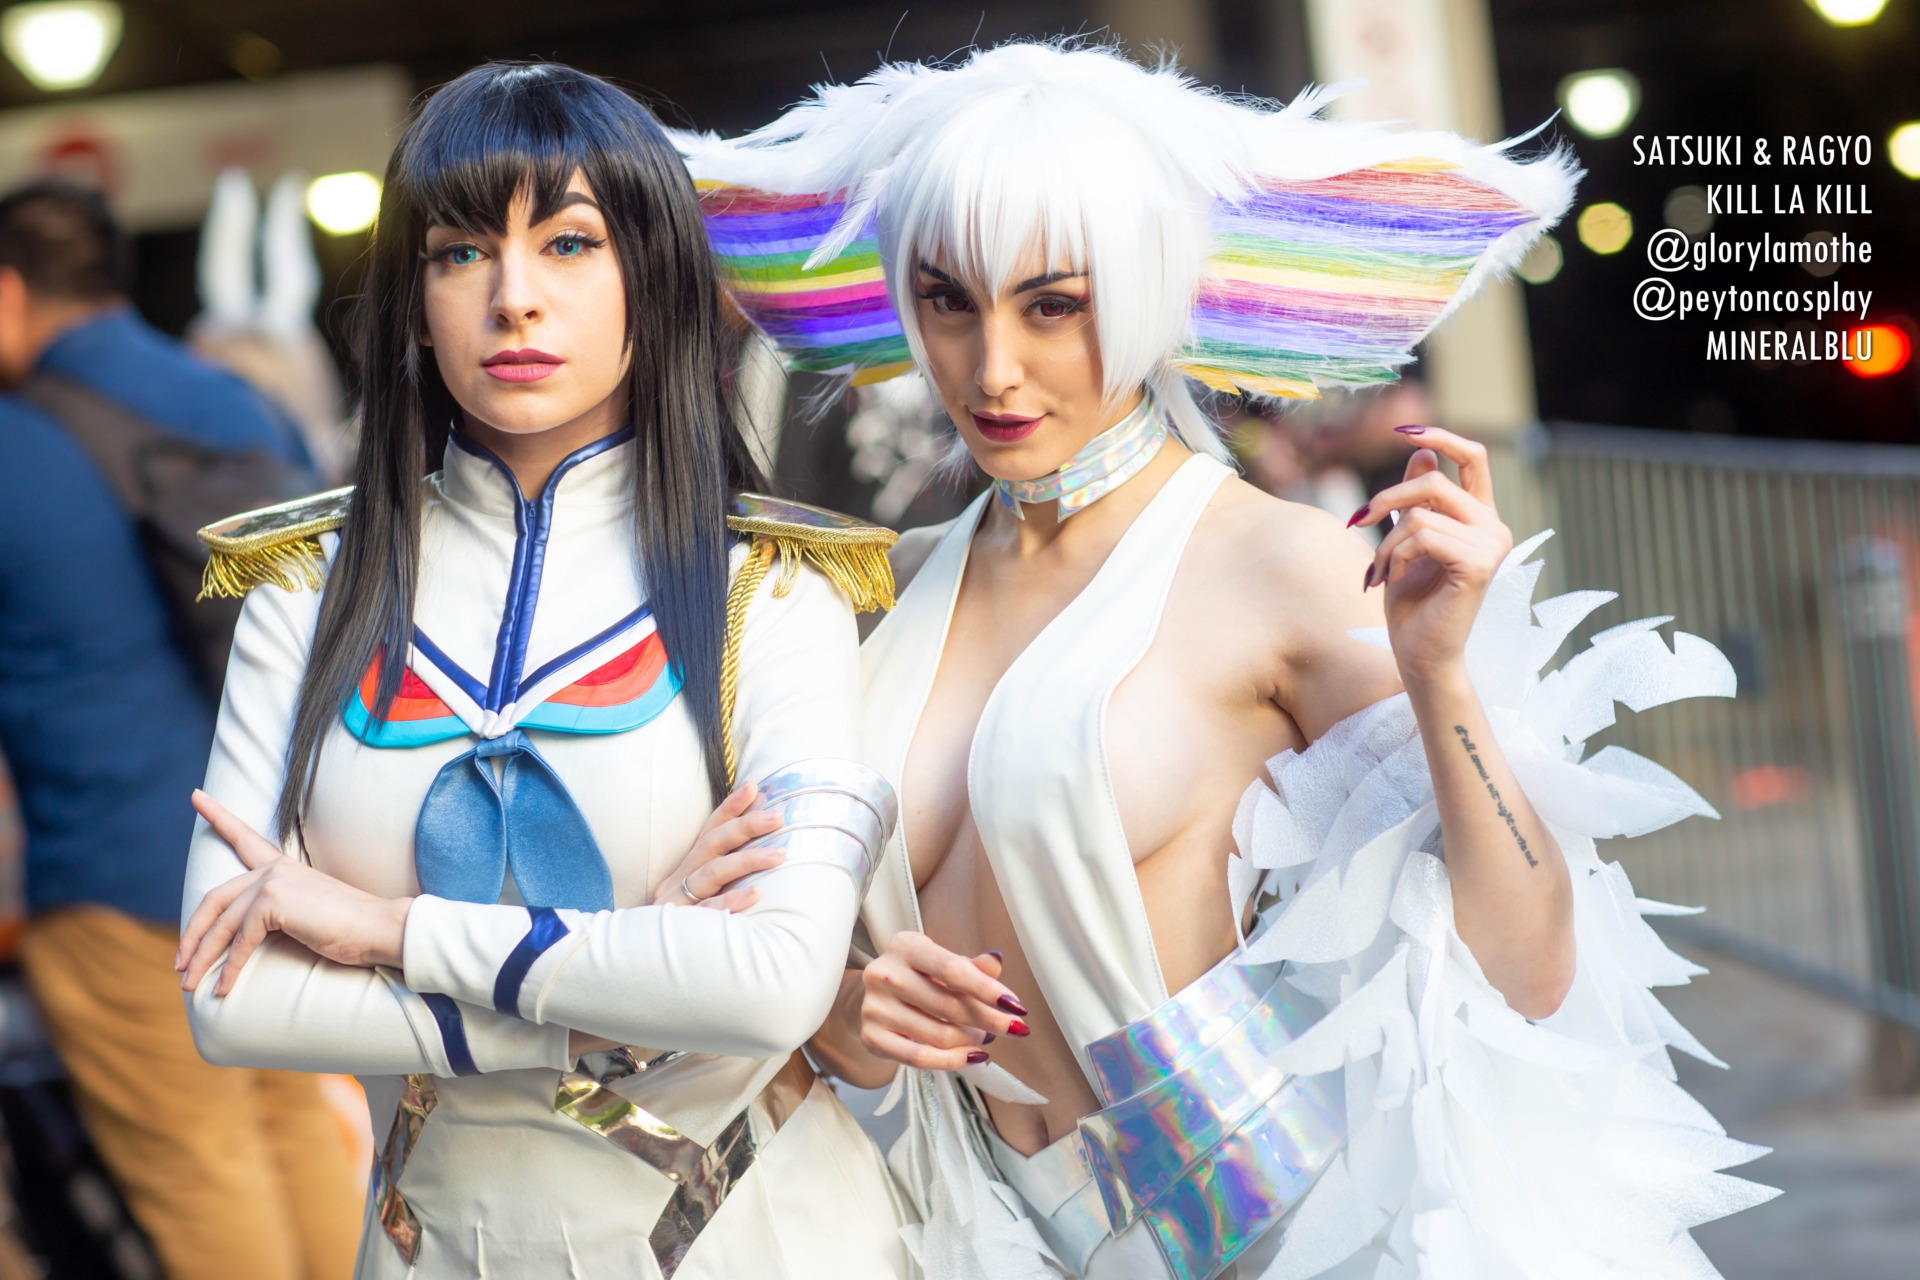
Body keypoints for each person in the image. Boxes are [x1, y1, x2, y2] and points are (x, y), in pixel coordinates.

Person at [680, 42, 1776, 1279]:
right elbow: (792, 983)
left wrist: (1442, 680)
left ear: (1145, 290)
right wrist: (845, 1008)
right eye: (948, 301)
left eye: (1053, 304)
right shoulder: (886, 588)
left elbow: (1526, 970)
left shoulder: (1271, 562)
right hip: (957, 1232)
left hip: (1259, 1237)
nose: (992, 368)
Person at [172, 62, 911, 1279]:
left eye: (569, 244)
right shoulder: (303, 589)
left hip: (749, 1241)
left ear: (651, 278)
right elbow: (227, 994)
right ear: (416, 303)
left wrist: (386, 931)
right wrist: (618, 977)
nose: (513, 297)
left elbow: (778, 980)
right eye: (462, 252)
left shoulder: (775, 589)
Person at [0, 180, 360, 1278]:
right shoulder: (233, 402)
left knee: (203, 1171)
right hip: (272, 855)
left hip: (114, 879)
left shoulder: (15, 444)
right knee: (295, 1130)